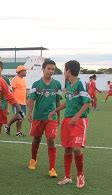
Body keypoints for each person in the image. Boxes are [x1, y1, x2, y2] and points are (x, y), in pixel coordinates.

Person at [48, 60, 90, 188]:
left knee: (76, 149)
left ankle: (80, 175)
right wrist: (55, 110)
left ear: (68, 71)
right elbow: (68, 102)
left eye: (64, 70)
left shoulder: (80, 83)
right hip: (67, 121)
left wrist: (77, 116)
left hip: (78, 121)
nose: (64, 72)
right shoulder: (69, 85)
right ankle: (67, 177)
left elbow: (87, 102)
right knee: (67, 149)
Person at [27, 59, 62, 178]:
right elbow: (31, 99)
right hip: (38, 117)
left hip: (51, 117)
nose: (51, 71)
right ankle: (33, 159)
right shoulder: (36, 84)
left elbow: (58, 101)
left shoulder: (57, 84)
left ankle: (52, 168)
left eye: (53, 69)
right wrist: (29, 113)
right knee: (36, 139)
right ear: (43, 69)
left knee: (51, 140)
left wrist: (58, 116)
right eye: (49, 68)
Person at [5, 65, 28, 137]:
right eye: (25, 71)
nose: (26, 72)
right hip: (16, 102)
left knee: (21, 118)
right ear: (20, 71)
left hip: (23, 102)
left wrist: (26, 97)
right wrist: (11, 101)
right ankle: (7, 125)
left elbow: (24, 90)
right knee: (18, 116)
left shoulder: (23, 80)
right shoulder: (15, 79)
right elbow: (11, 90)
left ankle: (18, 132)